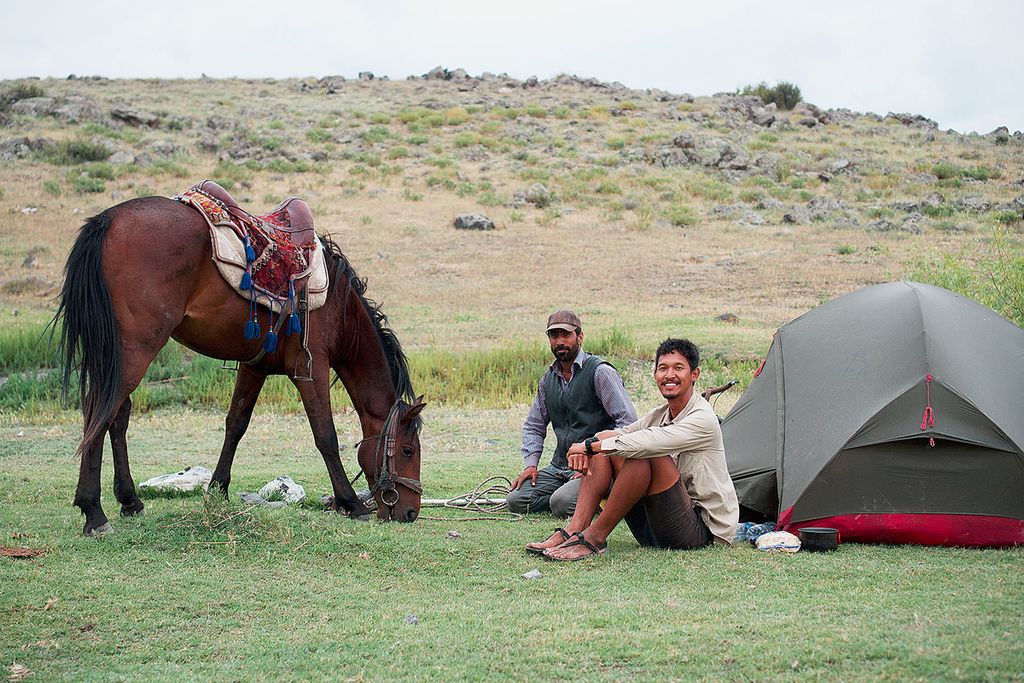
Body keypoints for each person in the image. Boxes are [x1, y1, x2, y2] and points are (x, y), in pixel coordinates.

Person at [526, 338, 738, 560]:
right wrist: (589, 445)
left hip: (699, 532)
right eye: (663, 368)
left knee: (641, 451)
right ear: (655, 374)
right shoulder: (660, 414)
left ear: (694, 375)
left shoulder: (703, 418)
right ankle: (574, 528)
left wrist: (589, 446)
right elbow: (621, 434)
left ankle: (595, 538)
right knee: (613, 446)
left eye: (678, 368)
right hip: (656, 526)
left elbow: (646, 442)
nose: (669, 375)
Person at [506, 309, 637, 517]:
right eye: (554, 335)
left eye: (566, 335)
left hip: (596, 466)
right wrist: (530, 466)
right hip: (560, 466)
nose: (560, 341)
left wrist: (595, 456)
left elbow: (628, 423)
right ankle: (582, 496)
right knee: (517, 499)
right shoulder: (548, 379)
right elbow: (533, 425)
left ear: (580, 336)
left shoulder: (601, 372)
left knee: (561, 503)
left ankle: (607, 494)